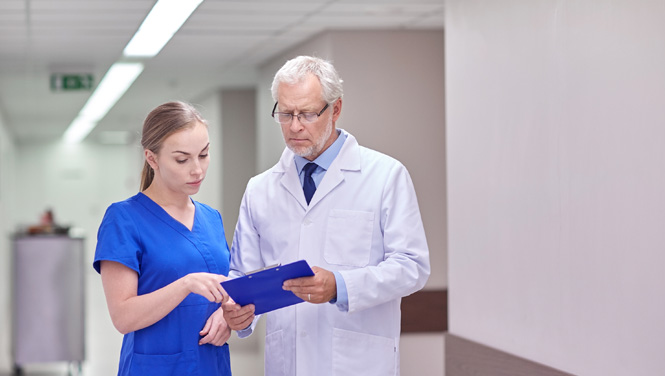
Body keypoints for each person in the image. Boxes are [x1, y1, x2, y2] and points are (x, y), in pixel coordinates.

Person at [222, 56, 431, 375]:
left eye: (306, 113)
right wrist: (239, 313)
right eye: (286, 113)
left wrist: (341, 285)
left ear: (335, 109)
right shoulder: (260, 189)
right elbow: (242, 272)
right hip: (286, 362)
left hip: (357, 362)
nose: (294, 126)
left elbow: (412, 266)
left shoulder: (385, 176)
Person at [93, 101, 232, 375]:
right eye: (182, 159)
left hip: (211, 363)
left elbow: (222, 293)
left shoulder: (211, 218)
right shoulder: (123, 219)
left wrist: (226, 316)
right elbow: (123, 317)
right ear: (152, 158)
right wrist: (186, 284)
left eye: (204, 155)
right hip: (155, 367)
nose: (197, 170)